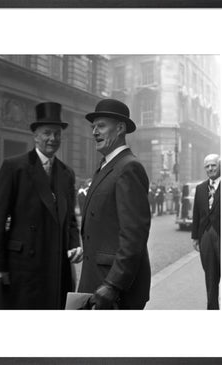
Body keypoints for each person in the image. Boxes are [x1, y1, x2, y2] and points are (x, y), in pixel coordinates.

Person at [0, 101, 83, 309]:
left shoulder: (66, 173)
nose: (52, 139)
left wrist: (74, 243)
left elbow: (71, 219)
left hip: (57, 263)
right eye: (47, 133)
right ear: (35, 135)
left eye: (57, 134)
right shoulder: (15, 167)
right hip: (24, 265)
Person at [78, 98, 151, 310]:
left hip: (114, 287)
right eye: (93, 127)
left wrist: (113, 284)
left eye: (101, 126)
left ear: (120, 128)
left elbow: (134, 235)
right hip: (97, 279)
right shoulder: (107, 165)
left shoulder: (129, 167)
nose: (94, 132)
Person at [191, 154, 221, 310]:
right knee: (210, 276)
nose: (210, 169)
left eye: (213, 165)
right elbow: (196, 213)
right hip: (205, 237)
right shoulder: (200, 188)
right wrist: (195, 237)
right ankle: (212, 308)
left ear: (220, 165)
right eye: (207, 166)